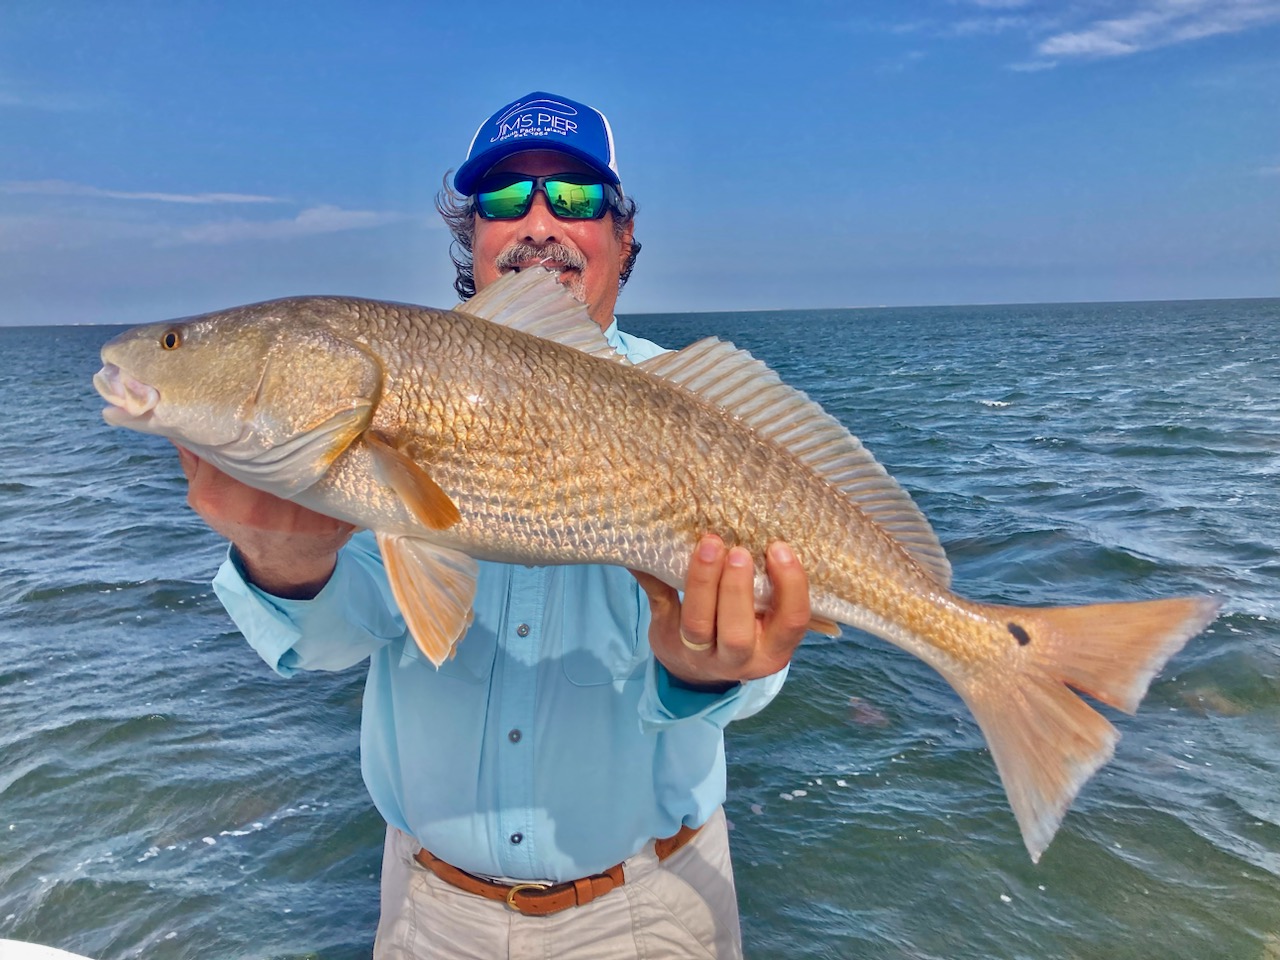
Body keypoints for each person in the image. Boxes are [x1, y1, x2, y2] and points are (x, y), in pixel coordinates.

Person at [178, 91, 812, 959]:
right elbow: (339, 637)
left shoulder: (696, 410)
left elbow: (764, 661)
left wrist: (707, 675)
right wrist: (283, 560)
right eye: (506, 200)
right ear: (471, 240)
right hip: (429, 910)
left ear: (623, 239)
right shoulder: (384, 392)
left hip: (654, 907)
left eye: (578, 198)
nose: (539, 222)